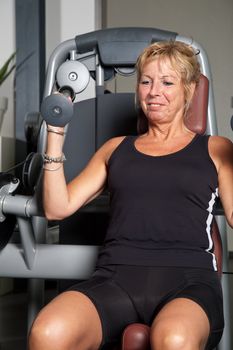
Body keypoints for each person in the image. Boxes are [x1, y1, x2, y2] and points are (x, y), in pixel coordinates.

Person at [29, 41, 233, 350]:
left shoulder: (217, 149)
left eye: (167, 82)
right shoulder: (115, 148)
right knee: (47, 333)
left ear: (189, 89)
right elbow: (57, 208)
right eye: (146, 81)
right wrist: (55, 135)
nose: (153, 92)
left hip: (189, 282)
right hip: (114, 279)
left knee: (175, 340)